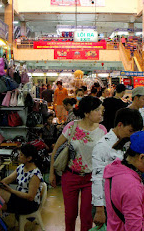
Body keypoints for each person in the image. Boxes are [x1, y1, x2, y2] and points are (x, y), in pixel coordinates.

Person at [50, 96, 107, 231]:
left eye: (101, 110)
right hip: (70, 176)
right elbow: (56, 148)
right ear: (87, 113)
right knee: (70, 215)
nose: (100, 113)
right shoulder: (72, 127)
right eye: (97, 110)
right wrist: (52, 173)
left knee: (86, 216)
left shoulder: (102, 130)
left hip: (91, 178)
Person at [92, 108, 143, 228]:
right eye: (130, 130)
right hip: (106, 204)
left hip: (122, 201)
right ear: (120, 125)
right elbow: (97, 178)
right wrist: (99, 210)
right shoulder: (103, 146)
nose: (132, 135)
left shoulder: (127, 143)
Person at [0, 144, 43, 215]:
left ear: (29, 158)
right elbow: (9, 179)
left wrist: (11, 190)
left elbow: (30, 197)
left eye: (21, 154)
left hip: (29, 204)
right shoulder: (21, 167)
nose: (18, 155)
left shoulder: (35, 174)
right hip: (19, 198)